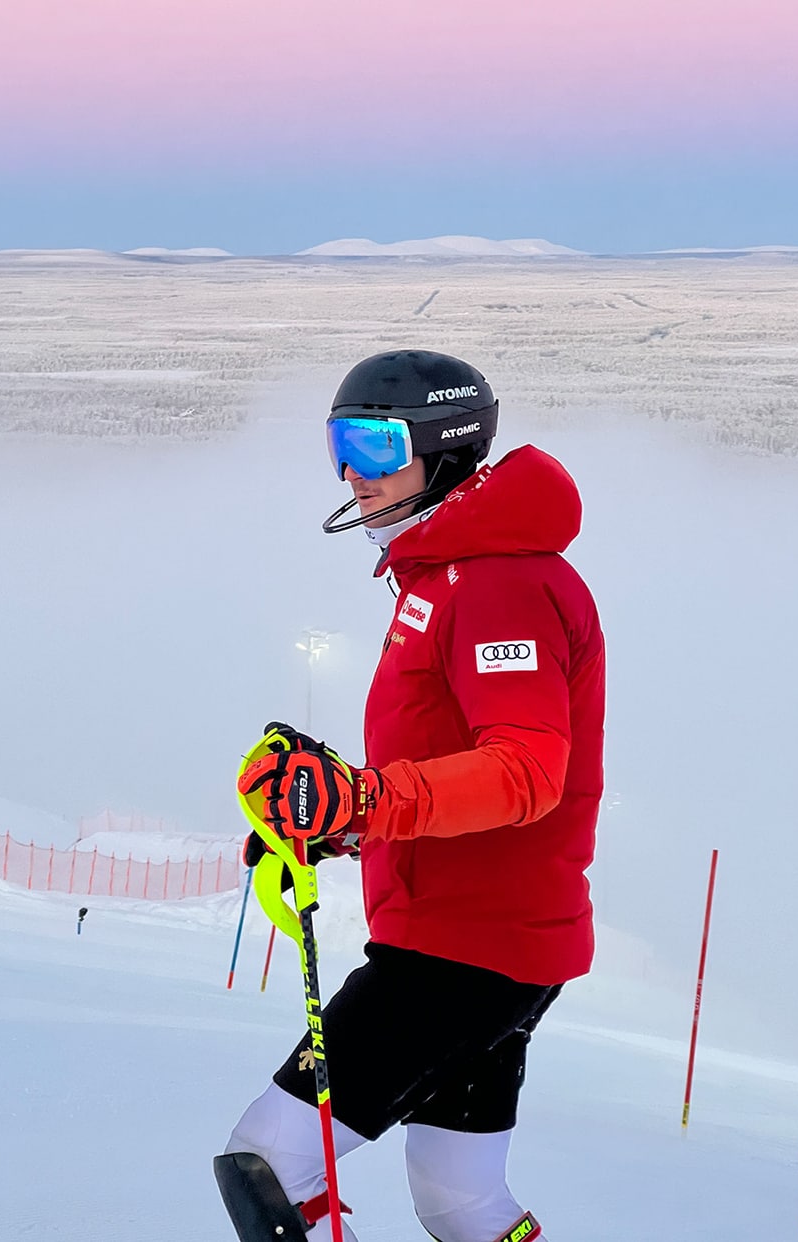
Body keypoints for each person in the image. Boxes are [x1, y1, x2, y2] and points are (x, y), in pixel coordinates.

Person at [215, 349, 606, 1242]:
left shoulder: (499, 582)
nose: (352, 471)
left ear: (447, 449)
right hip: (490, 942)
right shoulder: (444, 575)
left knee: (264, 1163)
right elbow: (446, 763)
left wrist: (357, 799)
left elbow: (525, 770)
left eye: (376, 445)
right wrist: (335, 826)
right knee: (461, 1203)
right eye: (339, 442)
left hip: (464, 952)